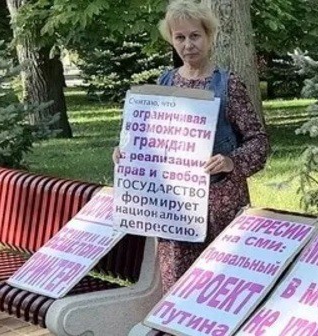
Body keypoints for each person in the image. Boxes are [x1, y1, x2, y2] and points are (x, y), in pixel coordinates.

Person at [113, 0, 269, 293]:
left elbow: (259, 143)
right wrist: (127, 154)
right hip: (174, 209)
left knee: (223, 288)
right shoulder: (164, 83)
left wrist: (230, 161)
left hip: (221, 206)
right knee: (179, 289)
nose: (188, 45)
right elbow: (147, 140)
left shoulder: (228, 85)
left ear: (209, 36)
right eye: (180, 37)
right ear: (171, 40)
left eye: (195, 35)